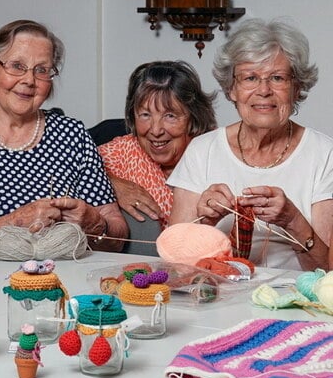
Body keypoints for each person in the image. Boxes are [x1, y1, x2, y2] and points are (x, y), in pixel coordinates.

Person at [0, 19, 126, 251]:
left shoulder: (72, 134)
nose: (29, 80)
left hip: (66, 277)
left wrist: (95, 225)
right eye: (17, 66)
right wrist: (14, 222)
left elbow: (118, 235)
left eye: (42, 70)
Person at [168, 18, 333, 271]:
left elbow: (328, 273)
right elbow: (174, 262)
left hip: (295, 298)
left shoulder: (324, 154)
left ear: (296, 88)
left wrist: (293, 220)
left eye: (277, 78)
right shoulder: (202, 151)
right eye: (250, 78)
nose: (263, 90)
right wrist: (206, 223)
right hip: (216, 292)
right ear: (232, 88)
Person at [98, 61, 217, 229]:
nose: (155, 130)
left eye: (170, 116)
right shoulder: (121, 153)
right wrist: (109, 184)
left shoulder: (216, 150)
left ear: (193, 117)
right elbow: (66, 169)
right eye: (145, 115)